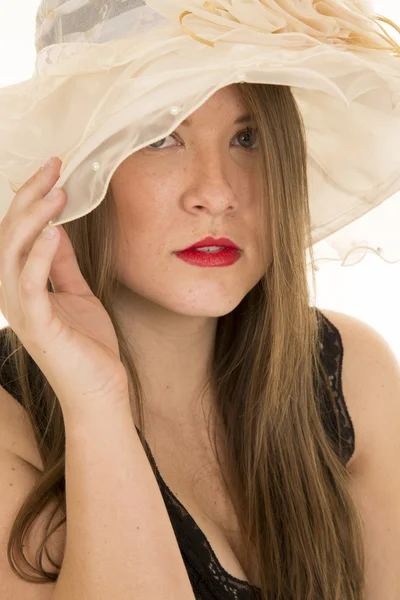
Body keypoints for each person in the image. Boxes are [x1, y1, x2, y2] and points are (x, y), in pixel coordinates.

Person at [0, 2, 399, 599]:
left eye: (248, 137)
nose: (216, 194)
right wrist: (98, 406)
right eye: (161, 136)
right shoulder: (10, 427)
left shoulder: (349, 372)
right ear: (78, 167)